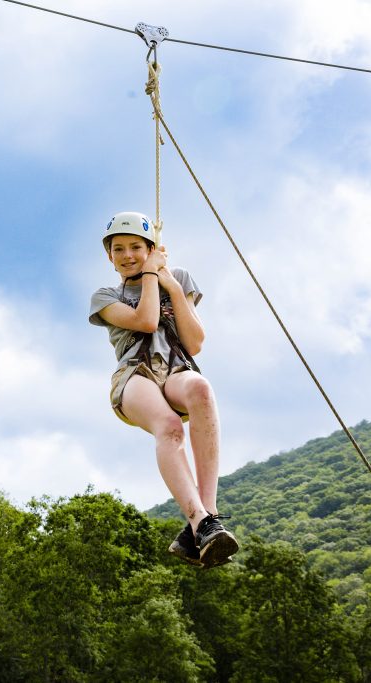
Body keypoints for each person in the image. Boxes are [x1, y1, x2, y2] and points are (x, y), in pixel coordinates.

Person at [88, 211, 238, 568]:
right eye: (118, 249)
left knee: (201, 389)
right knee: (169, 427)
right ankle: (199, 519)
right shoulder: (106, 295)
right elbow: (146, 321)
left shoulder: (179, 278)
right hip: (134, 375)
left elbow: (195, 343)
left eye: (136, 247)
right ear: (109, 257)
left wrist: (170, 283)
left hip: (174, 368)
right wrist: (153, 274)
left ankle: (205, 520)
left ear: (151, 247)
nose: (127, 255)